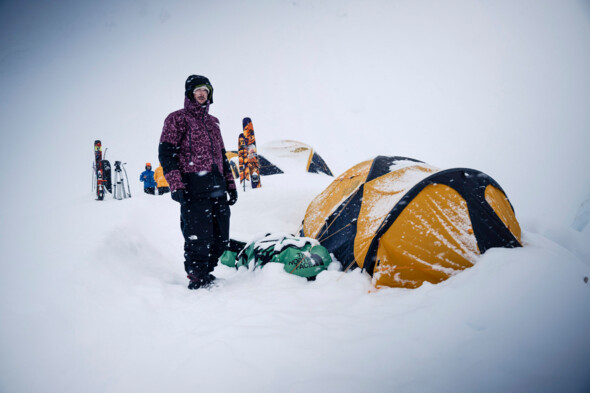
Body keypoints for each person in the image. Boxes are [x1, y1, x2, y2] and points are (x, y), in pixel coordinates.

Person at [158, 75, 238, 290]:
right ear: (189, 93)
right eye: (197, 90)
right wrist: (176, 184)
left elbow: (221, 156)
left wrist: (231, 185)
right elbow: (166, 154)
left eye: (205, 90)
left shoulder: (213, 123)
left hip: (217, 186)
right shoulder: (177, 119)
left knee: (221, 237)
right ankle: (197, 276)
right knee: (198, 236)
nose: (202, 93)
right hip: (194, 187)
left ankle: (207, 270)